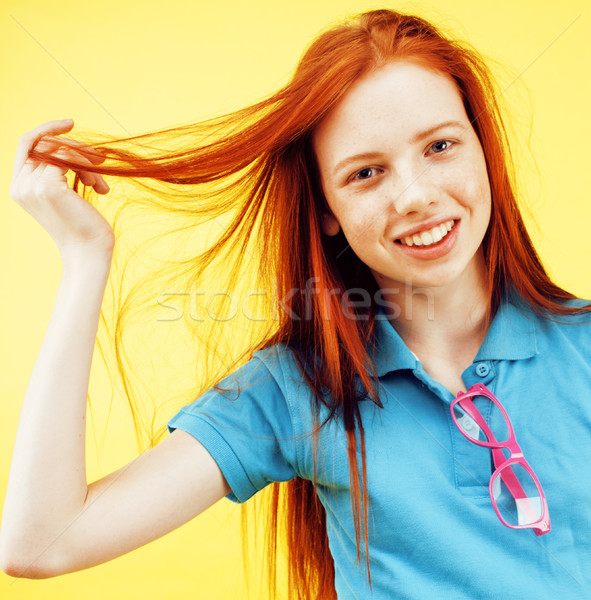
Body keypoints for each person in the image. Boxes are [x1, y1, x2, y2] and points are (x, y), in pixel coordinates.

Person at [1, 7, 590, 599]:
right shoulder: (300, 390)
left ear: (483, 149)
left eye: (440, 145)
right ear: (328, 211)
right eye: (365, 173)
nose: (415, 196)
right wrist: (84, 258)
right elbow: (41, 544)